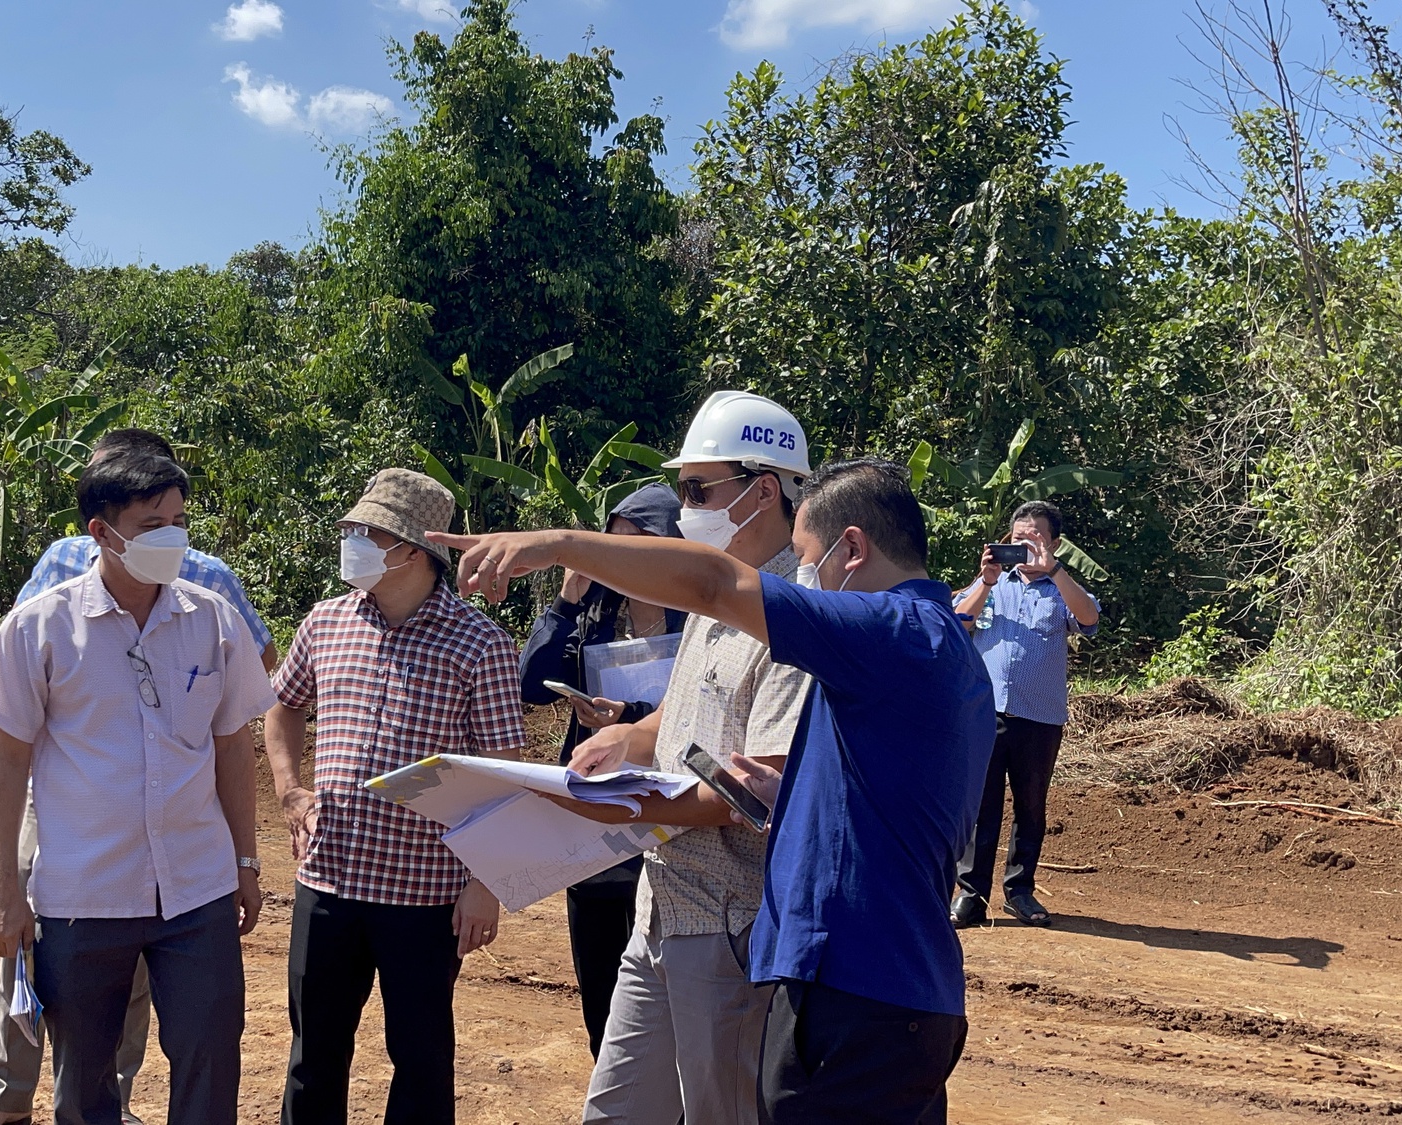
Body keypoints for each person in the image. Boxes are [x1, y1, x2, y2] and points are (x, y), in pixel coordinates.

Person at [430, 457, 999, 1125]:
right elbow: (884, 808)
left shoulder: (893, 632)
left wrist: (553, 544)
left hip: (857, 995)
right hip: (893, 994)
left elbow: (713, 581)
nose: (805, 581)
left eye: (809, 562)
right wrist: (786, 794)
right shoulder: (939, 651)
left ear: (852, 548)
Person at [0, 428, 276, 1125]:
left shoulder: (214, 619)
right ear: (101, 532)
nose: (173, 541)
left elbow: (233, 747)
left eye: (179, 523)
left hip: (197, 890)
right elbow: (7, 757)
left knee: (209, 1059)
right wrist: (3, 890)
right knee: (85, 1086)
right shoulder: (40, 628)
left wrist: (247, 862)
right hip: (83, 894)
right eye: (151, 527)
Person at [543, 390, 814, 1125]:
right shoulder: (713, 593)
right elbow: (687, 712)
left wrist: (620, 805)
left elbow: (753, 786)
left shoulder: (797, 612)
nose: (685, 504)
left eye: (698, 490)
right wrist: (628, 738)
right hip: (660, 905)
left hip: (729, 921)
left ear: (764, 492)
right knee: (617, 1113)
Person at [263, 468, 528, 1125]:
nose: (349, 540)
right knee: (313, 1054)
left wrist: (483, 882)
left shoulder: (480, 644)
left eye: (365, 532)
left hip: (427, 894)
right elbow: (281, 704)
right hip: (329, 882)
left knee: (421, 1058)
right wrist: (290, 789)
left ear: (413, 548)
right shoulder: (326, 622)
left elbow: (502, 772)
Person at [516, 482, 687, 1055]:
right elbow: (529, 684)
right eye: (608, 549)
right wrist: (566, 600)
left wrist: (631, 718)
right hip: (596, 812)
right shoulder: (596, 609)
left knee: (668, 975)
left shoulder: (701, 615)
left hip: (674, 808)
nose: (618, 562)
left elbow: (697, 711)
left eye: (632, 549)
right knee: (601, 975)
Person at [949, 499, 1101, 928]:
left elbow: (1089, 618)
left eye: (1035, 538)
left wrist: (1054, 570)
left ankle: (1019, 891)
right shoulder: (991, 585)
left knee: (1031, 808)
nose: (1025, 547)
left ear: (1053, 543)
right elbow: (956, 621)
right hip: (985, 713)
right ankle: (971, 896)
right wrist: (986, 579)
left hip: (1040, 717)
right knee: (982, 806)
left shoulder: (1061, 588)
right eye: (1017, 539)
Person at [16, 428, 278, 671]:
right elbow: (18, 657)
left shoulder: (210, 579)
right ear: (101, 531)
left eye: (175, 522)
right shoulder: (60, 561)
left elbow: (258, 659)